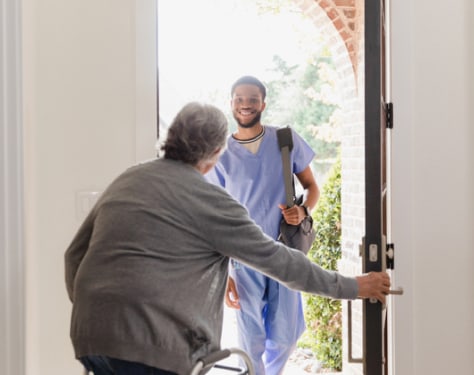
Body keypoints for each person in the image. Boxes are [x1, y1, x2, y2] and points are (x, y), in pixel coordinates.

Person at [64, 101, 391, 375]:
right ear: (217, 152)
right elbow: (279, 260)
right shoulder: (207, 200)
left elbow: (74, 255)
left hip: (90, 335)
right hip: (153, 345)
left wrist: (98, 310)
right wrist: (353, 286)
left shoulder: (129, 178)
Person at [205, 75, 320, 375]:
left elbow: (311, 187)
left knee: (286, 335)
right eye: (239, 99)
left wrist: (303, 210)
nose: (246, 105)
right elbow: (213, 216)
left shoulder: (285, 140)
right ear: (231, 104)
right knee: (250, 337)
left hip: (284, 252)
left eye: (252, 99)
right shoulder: (220, 154)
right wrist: (224, 270)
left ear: (263, 104)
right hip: (243, 258)